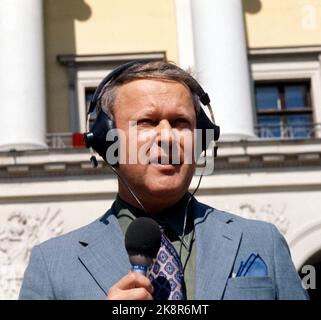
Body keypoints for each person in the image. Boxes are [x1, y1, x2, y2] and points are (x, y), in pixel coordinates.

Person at [19, 61, 308, 300]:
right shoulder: (51, 265)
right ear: (108, 143)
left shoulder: (262, 241)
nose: (167, 137)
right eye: (147, 122)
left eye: (181, 123)